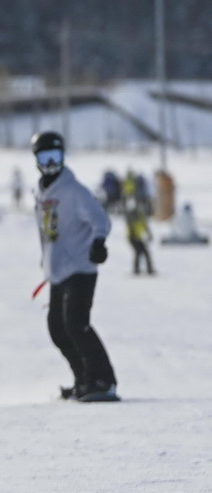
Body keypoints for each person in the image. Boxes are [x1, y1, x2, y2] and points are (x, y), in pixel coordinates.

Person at [31, 131, 118, 402]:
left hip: (80, 267)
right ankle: (84, 379)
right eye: (44, 157)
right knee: (57, 328)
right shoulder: (40, 191)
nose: (50, 163)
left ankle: (103, 380)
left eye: (55, 157)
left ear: (63, 156)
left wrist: (98, 243)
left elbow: (100, 219)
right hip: (57, 270)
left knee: (76, 324)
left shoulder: (74, 190)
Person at [123, 196, 155, 276]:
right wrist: (134, 236)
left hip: (138, 237)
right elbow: (131, 226)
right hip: (133, 237)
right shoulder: (133, 215)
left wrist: (149, 234)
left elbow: (145, 225)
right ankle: (140, 269)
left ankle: (144, 269)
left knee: (143, 252)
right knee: (140, 252)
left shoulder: (141, 215)